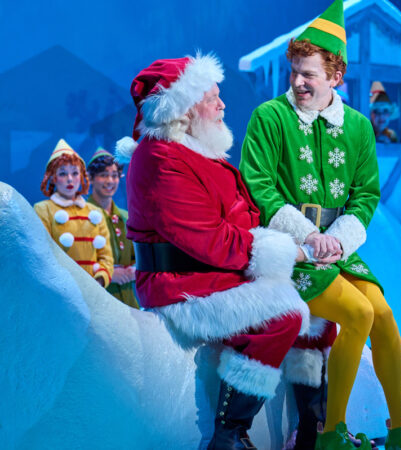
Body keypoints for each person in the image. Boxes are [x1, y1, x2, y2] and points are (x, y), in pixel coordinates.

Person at [239, 1, 401, 449]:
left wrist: (338, 241)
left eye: (309, 74)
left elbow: (365, 196)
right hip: (288, 250)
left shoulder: (358, 127)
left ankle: (399, 429)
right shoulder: (270, 117)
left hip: (337, 249)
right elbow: (259, 187)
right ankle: (332, 433)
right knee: (359, 312)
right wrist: (308, 236)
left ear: (336, 77)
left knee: (383, 316)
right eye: (295, 72)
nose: (298, 82)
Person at [115, 54, 315, 450]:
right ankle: (229, 434)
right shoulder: (161, 158)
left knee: (320, 302)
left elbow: (239, 216)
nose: (222, 105)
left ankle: (313, 429)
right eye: (212, 98)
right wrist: (283, 252)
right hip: (179, 282)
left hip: (209, 269)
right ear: (184, 109)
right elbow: (205, 237)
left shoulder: (194, 149)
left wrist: (292, 237)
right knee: (285, 315)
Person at [34, 139, 114, 288]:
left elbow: (106, 257)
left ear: (82, 175)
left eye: (75, 173)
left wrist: (99, 281)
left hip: (94, 290)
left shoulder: (95, 211)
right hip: (61, 289)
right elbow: (43, 253)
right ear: (53, 178)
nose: (70, 179)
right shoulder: (43, 209)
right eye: (63, 173)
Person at [86, 148, 138, 308]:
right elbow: (74, 263)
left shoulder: (125, 216)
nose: (110, 181)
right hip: (98, 301)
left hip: (128, 301)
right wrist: (109, 274)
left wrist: (134, 270)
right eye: (103, 175)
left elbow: (137, 257)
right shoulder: (81, 216)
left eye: (114, 175)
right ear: (91, 178)